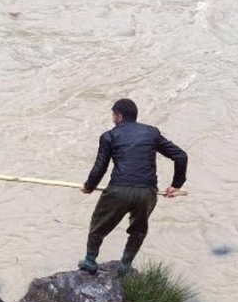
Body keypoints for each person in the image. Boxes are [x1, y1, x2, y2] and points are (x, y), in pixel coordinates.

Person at [78, 98, 188, 276]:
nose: (112, 119)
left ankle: (90, 261)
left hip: (118, 190)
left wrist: (89, 186)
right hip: (147, 192)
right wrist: (176, 185)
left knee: (98, 226)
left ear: (119, 116)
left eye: (113, 115)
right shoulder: (151, 133)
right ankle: (125, 266)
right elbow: (181, 156)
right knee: (138, 230)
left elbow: (100, 167)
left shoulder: (109, 136)